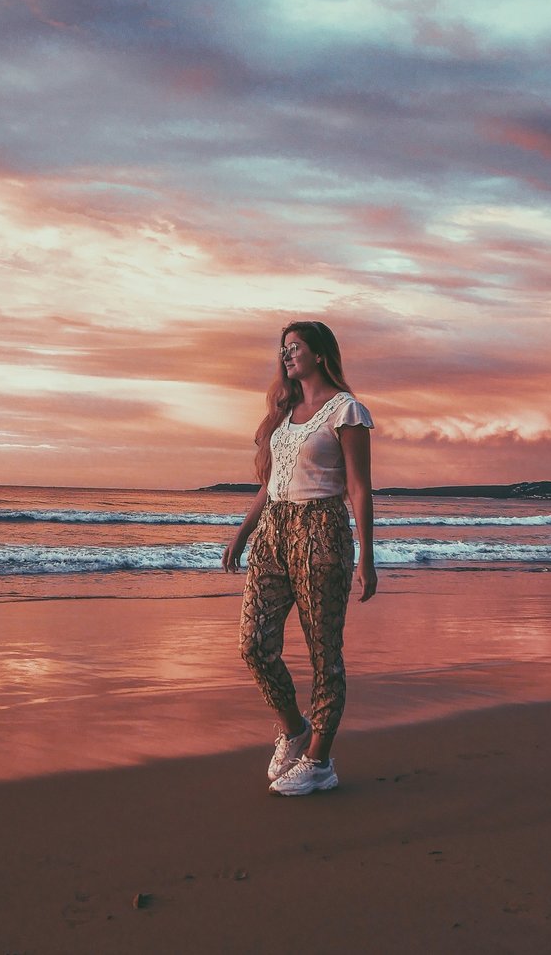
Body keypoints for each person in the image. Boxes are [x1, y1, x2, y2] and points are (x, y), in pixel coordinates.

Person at [222, 320, 377, 796]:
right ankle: (295, 731)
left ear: (319, 353)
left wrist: (367, 556)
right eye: (283, 349)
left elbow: (358, 487)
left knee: (324, 654)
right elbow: (270, 485)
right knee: (253, 642)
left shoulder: (345, 410)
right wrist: (243, 533)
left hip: (322, 533)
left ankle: (320, 761)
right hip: (274, 532)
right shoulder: (284, 415)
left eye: (295, 347)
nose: (287, 356)